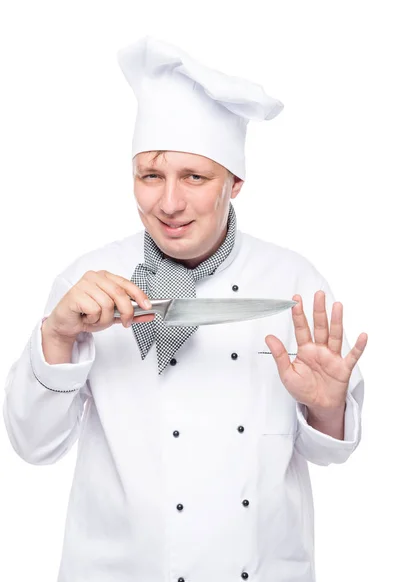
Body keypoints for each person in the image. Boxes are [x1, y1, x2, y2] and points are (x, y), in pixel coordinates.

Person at [3, 36, 367, 582]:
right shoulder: (86, 287)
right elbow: (32, 447)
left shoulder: (294, 283)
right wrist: (56, 337)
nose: (168, 204)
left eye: (195, 177)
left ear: (235, 183)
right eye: (151, 176)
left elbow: (331, 455)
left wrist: (328, 410)